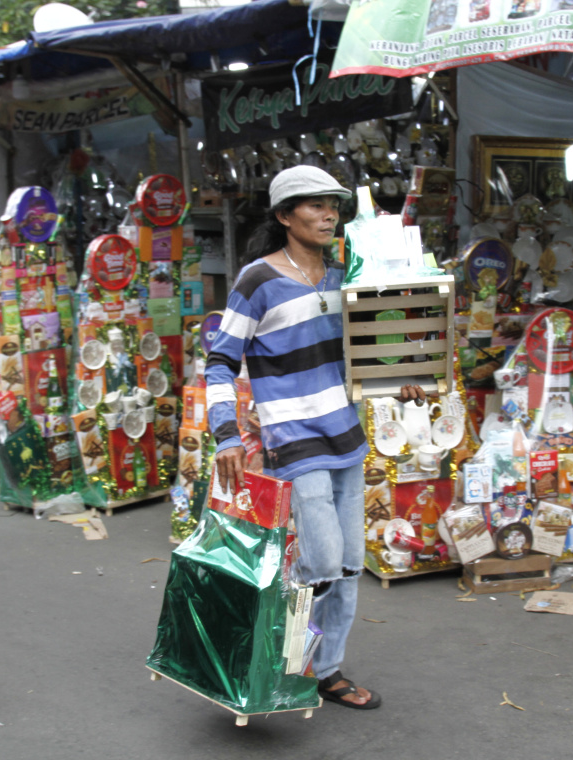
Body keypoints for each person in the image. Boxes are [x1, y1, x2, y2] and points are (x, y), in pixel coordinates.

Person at [206, 166, 424, 710]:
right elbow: (218, 363)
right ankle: (273, 651)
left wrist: (399, 378)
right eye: (315, 205)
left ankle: (326, 671)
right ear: (284, 216)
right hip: (294, 439)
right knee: (322, 562)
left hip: (346, 435)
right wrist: (226, 436)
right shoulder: (257, 281)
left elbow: (364, 354)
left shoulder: (344, 276)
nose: (329, 214)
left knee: (350, 566)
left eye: (334, 205)